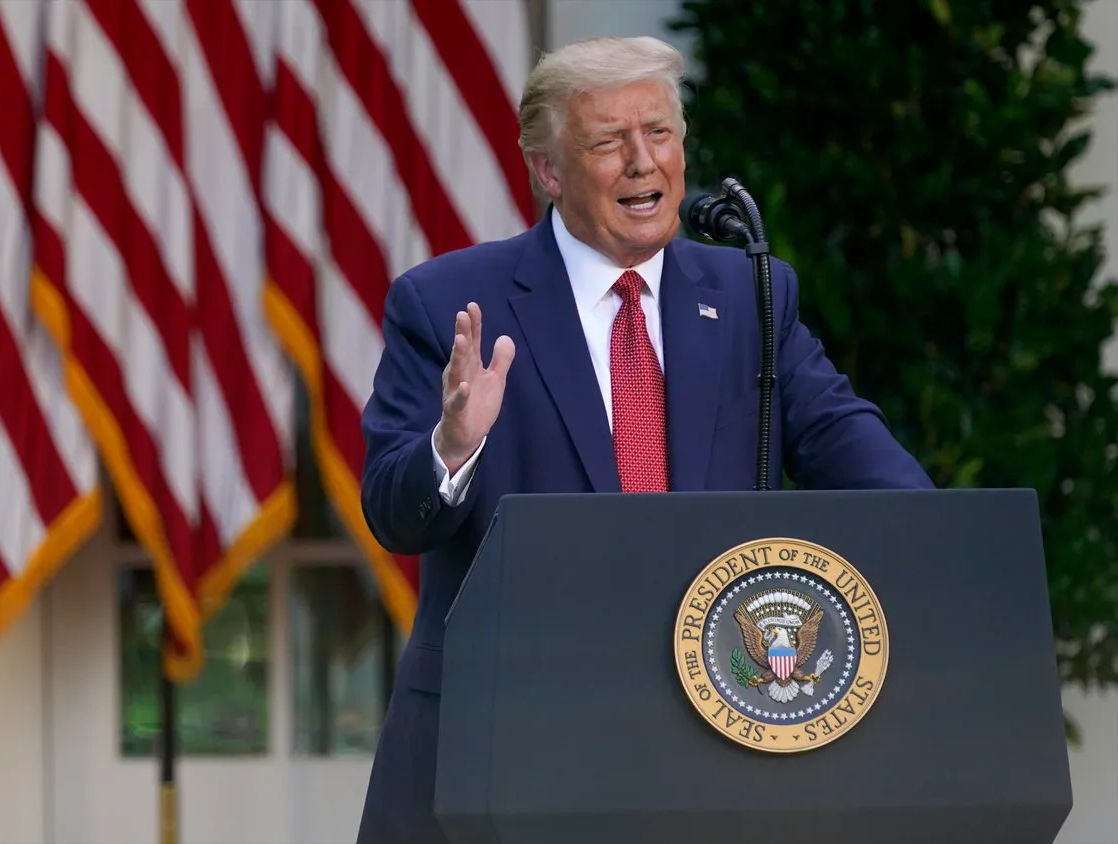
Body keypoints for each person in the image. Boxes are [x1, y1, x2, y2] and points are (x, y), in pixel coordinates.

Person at [353, 34, 933, 844]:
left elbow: (849, 443)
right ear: (549, 172)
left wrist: (941, 541)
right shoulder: (449, 302)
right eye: (607, 142)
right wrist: (451, 446)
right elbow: (395, 514)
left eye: (659, 133)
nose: (641, 162)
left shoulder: (750, 296)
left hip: (704, 749)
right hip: (503, 753)